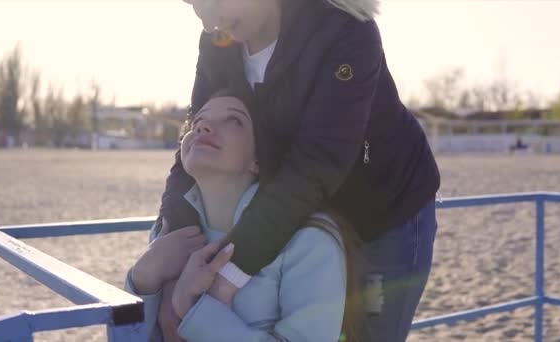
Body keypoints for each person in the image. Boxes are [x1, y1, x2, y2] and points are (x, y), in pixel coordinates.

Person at [159, 0, 440, 340]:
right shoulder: (219, 41)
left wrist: (225, 275)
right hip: (297, 215)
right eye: (192, 3)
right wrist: (179, 262)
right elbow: (192, 145)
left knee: (364, 334)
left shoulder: (346, 32)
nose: (207, 21)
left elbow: (317, 162)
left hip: (383, 215)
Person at [126, 90, 364, 341]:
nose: (203, 126)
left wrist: (196, 310)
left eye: (233, 120)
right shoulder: (167, 234)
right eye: (198, 121)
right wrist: (142, 280)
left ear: (258, 159)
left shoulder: (308, 241)